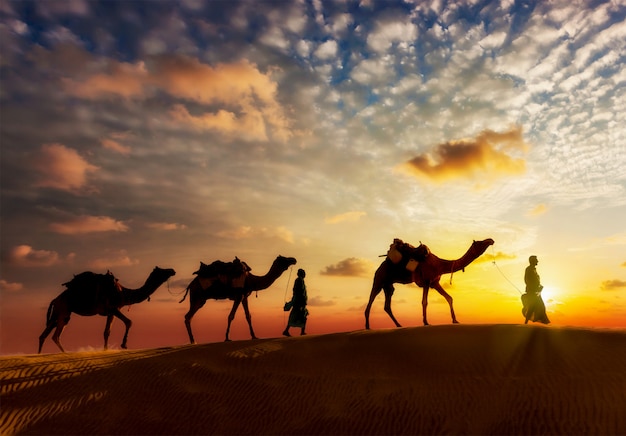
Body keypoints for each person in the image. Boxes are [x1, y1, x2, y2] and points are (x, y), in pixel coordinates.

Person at [522, 255, 550, 324]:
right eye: (536, 260)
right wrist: (534, 288)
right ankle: (527, 322)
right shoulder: (528, 269)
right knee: (534, 306)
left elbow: (536, 280)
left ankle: (544, 322)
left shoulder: (534, 269)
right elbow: (527, 280)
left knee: (538, 306)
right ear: (532, 261)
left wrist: (539, 287)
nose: (537, 261)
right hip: (532, 291)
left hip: (537, 291)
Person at [283, 268, 309, 337]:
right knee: (298, 316)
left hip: (300, 302)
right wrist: (301, 301)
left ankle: (300, 331)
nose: (305, 275)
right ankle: (288, 331)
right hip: (299, 302)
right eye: (303, 273)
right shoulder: (299, 281)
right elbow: (299, 292)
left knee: (301, 316)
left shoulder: (300, 280)